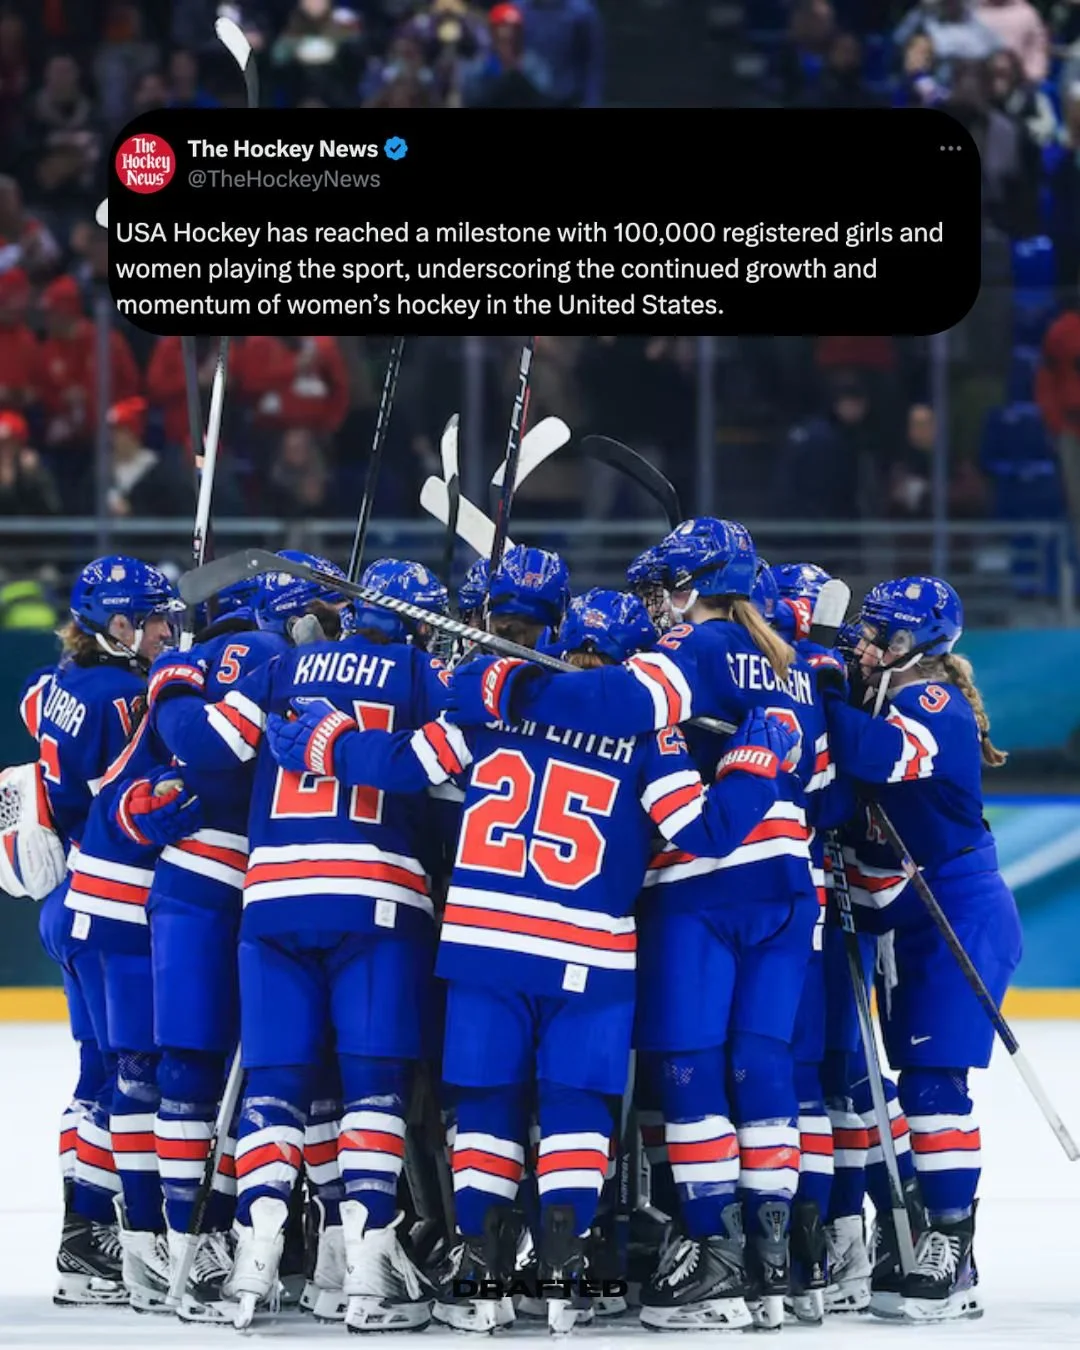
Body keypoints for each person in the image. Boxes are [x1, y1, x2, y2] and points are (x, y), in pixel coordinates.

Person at [448, 518, 829, 1329]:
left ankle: (714, 1259)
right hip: (790, 883)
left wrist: (503, 685)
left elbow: (618, 702)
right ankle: (777, 1269)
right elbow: (826, 772)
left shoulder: (700, 651)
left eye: (667, 589)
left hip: (701, 887)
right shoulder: (791, 670)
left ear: (700, 584)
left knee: (688, 1072)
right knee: (766, 1072)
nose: (660, 609)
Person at [155, 558, 455, 1332]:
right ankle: (364, 1267)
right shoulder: (420, 670)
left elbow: (207, 742)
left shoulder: (281, 664)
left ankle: (253, 1263)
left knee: (275, 1084)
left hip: (273, 898)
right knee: (371, 1088)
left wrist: (173, 676)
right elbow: (458, 768)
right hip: (376, 895)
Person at [144, 551, 346, 1322]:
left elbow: (167, 760)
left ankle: (193, 1247)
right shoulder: (277, 657)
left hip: (211, 883)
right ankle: (324, 1247)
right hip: (280, 885)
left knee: (196, 1073)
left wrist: (169, 684)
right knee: (296, 1069)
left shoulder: (201, 661)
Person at [817, 575, 1021, 1322]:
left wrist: (818, 689)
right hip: (902, 916)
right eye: (869, 631)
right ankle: (903, 1225)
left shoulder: (928, 697)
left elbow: (880, 758)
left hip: (956, 914)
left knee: (934, 1085)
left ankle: (951, 1243)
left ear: (924, 646)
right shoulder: (883, 693)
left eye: (887, 636)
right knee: (879, 1082)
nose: (871, 644)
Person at [19, 557, 177, 1307]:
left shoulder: (55, 686)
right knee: (135, 1074)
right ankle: (134, 1238)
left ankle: (83, 1234)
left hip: (66, 898)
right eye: (153, 620)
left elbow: (31, 705)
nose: (168, 632)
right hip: (114, 895)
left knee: (96, 1076)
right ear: (117, 628)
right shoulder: (126, 697)